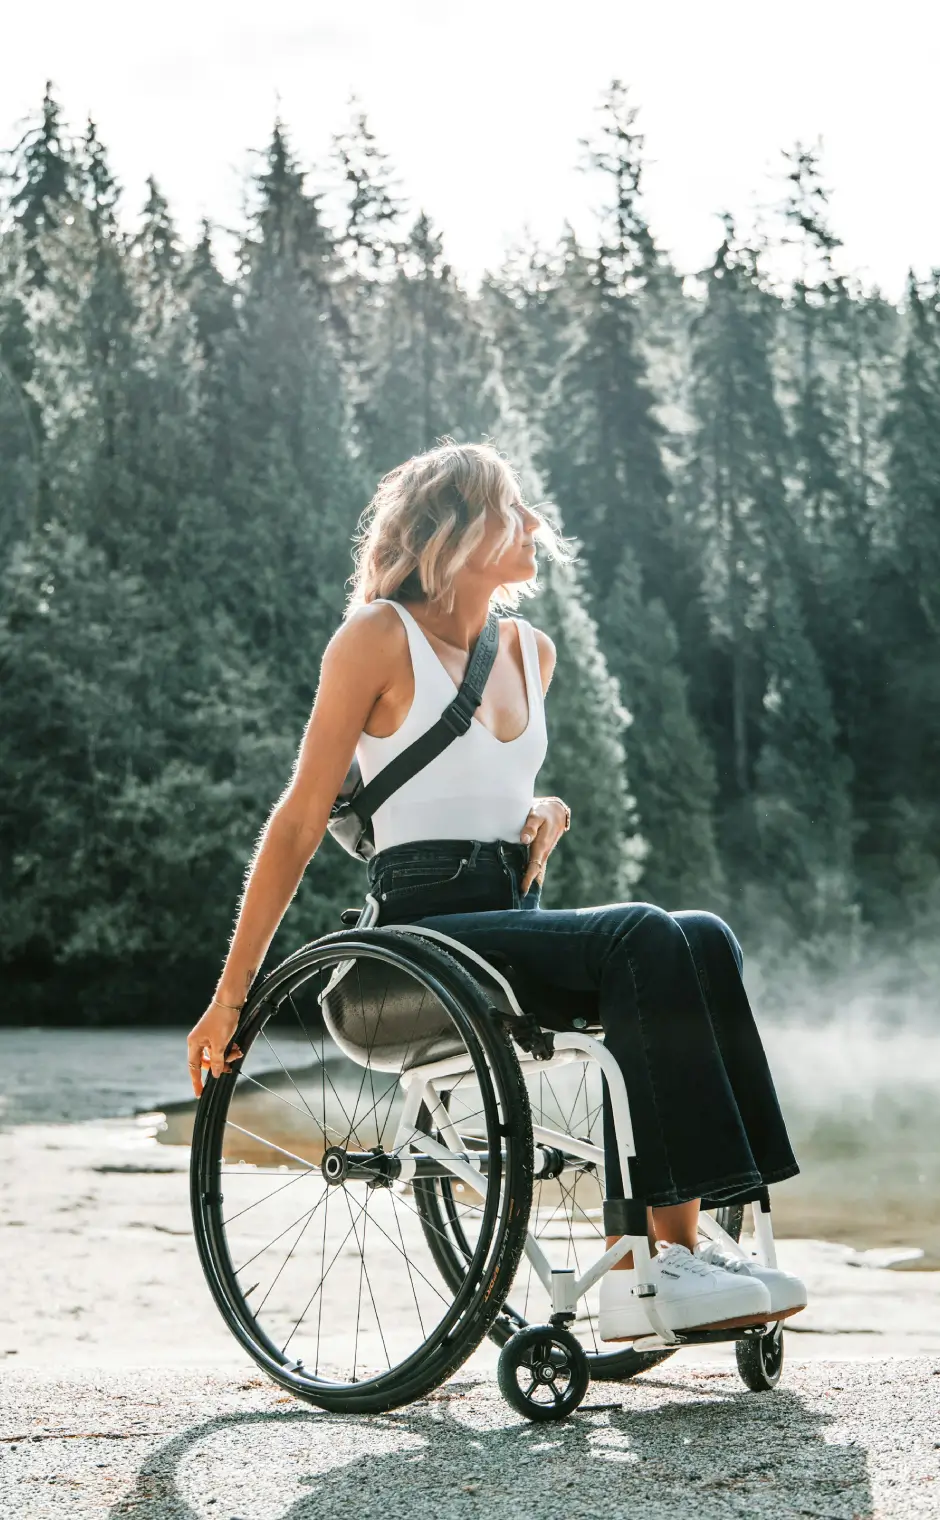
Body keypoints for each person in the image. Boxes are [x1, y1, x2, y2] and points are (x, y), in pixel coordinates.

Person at [187, 439, 807, 1342]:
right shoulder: (376, 638)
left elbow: (485, 783)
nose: (534, 524)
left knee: (702, 936)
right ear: (454, 528)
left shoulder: (531, 652)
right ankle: (657, 1264)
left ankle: (666, 1251)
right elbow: (298, 821)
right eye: (512, 508)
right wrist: (230, 995)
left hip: (505, 918)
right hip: (414, 943)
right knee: (642, 932)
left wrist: (539, 809)